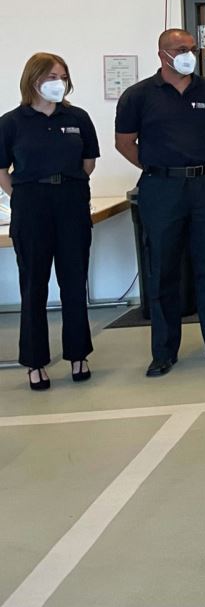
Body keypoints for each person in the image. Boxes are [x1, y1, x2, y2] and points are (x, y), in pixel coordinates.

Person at [115, 28, 205, 377]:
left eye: (192, 48)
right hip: (161, 188)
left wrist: (197, 162)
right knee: (163, 270)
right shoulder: (139, 95)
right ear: (162, 54)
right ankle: (164, 351)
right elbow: (124, 142)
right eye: (180, 48)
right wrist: (158, 167)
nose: (188, 54)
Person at [0, 54, 99, 390]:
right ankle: (35, 361)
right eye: (52, 76)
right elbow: (2, 170)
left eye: (63, 76)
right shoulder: (12, 122)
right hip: (31, 205)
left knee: (74, 281)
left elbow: (88, 161)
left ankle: (78, 355)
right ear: (34, 80)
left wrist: (66, 186)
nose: (59, 82)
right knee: (33, 284)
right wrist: (24, 194)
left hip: (71, 201)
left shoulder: (77, 118)